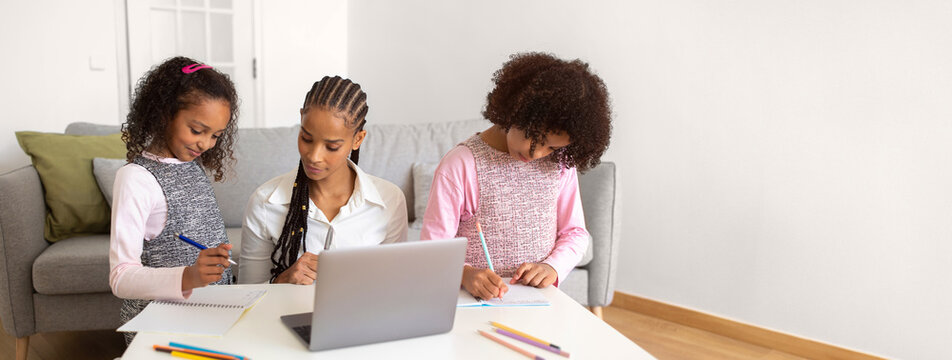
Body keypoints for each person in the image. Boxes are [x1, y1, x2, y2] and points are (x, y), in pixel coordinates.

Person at [421, 52, 612, 300]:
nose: (537, 154)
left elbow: (575, 233)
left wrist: (552, 267)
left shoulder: (560, 166)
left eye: (552, 148)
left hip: (538, 303)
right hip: (473, 302)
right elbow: (432, 250)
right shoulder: (461, 165)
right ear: (517, 112)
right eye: (536, 138)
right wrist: (464, 274)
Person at [109, 56, 240, 344]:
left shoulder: (190, 163)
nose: (205, 144)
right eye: (197, 130)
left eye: (216, 135)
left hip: (209, 317)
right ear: (164, 113)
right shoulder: (136, 179)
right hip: (161, 326)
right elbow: (120, 277)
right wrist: (189, 276)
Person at [240, 76, 408, 285]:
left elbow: (395, 286)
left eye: (332, 146)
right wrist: (283, 281)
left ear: (358, 139)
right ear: (301, 119)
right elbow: (246, 296)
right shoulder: (265, 203)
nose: (314, 156)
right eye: (306, 138)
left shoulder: (389, 200)